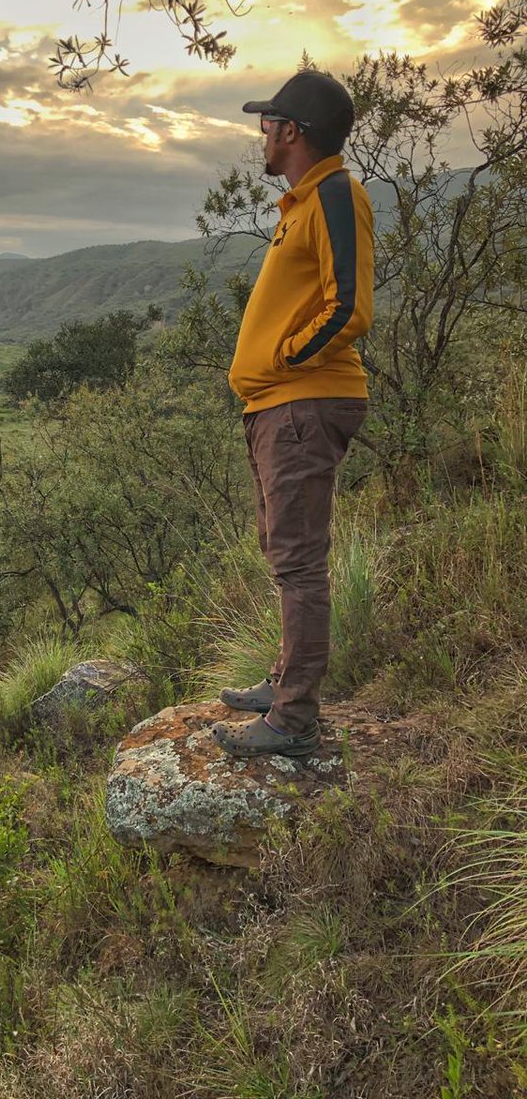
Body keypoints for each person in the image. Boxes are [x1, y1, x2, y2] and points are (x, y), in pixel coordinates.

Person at [212, 70, 374, 758]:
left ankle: (294, 720)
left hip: (300, 402)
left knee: (299, 561)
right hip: (279, 406)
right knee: (283, 551)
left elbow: (348, 306)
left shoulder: (336, 192)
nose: (262, 133)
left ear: (293, 132)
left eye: (269, 121)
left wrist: (283, 359)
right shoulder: (300, 205)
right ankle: (283, 683)